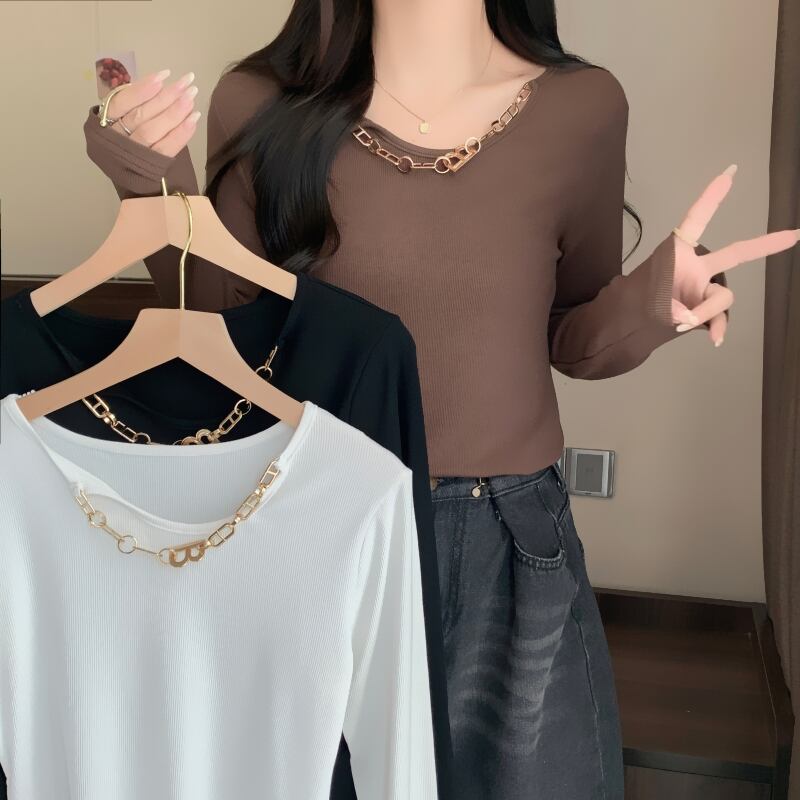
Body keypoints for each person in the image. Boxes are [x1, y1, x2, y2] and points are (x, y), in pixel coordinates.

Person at [82, 1, 799, 797]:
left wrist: (655, 301)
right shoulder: (260, 102)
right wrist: (149, 183)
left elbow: (568, 333)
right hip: (318, 526)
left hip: (510, 544)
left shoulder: (584, 106)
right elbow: (229, 335)